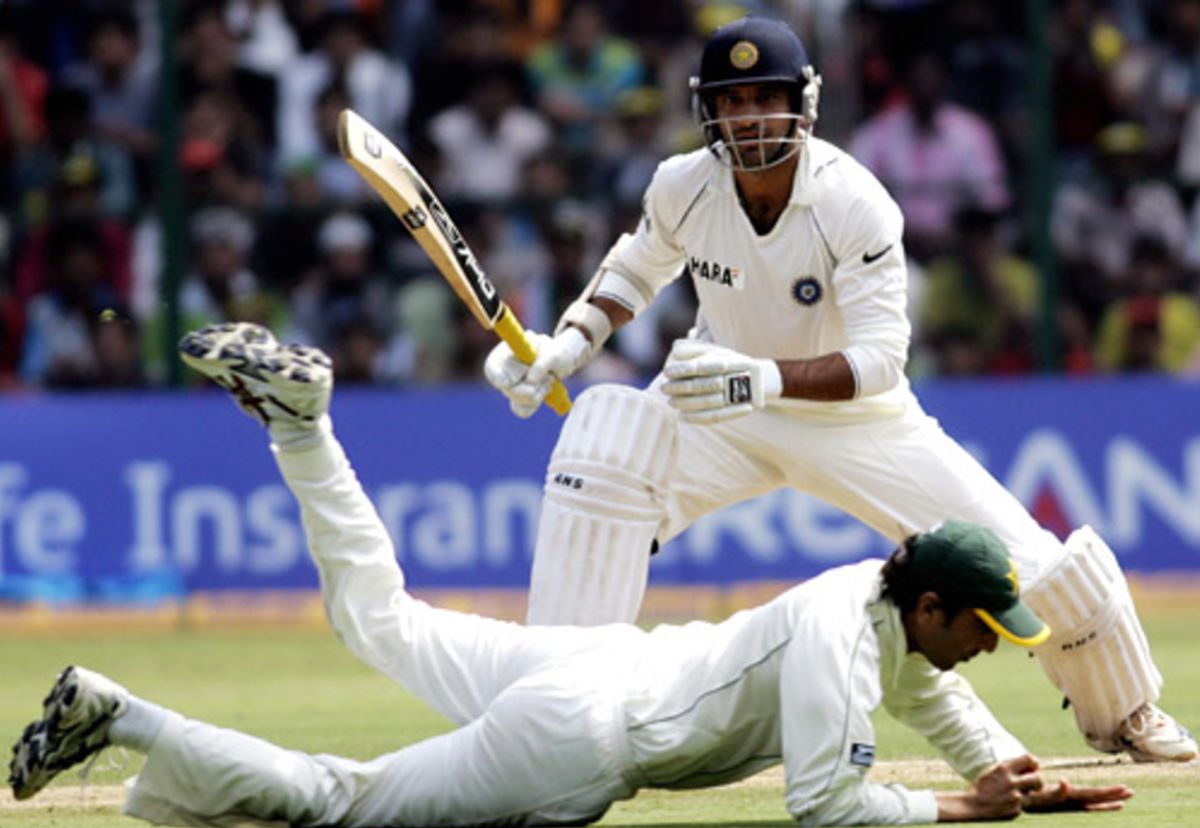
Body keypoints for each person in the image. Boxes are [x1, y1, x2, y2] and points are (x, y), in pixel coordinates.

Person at [8, 322, 1133, 828]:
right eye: (988, 625)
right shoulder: (844, 636)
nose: (995, 642)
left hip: (584, 661)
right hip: (579, 732)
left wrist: (1017, 770)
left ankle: (301, 427)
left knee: (378, 617)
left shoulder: (873, 606)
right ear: (933, 603)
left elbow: (928, 688)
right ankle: (122, 714)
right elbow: (828, 805)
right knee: (337, 800)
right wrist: (956, 807)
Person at [482, 16, 1197, 763]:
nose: (751, 117)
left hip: (856, 420)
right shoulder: (682, 184)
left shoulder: (854, 201)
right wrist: (568, 344)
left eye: (767, 97)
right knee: (601, 461)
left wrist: (762, 378)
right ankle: (548, 718)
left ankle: (1128, 712)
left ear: (804, 104)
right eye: (734, 101)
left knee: (1037, 570)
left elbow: (883, 359)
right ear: (709, 111)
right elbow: (635, 269)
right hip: (716, 408)